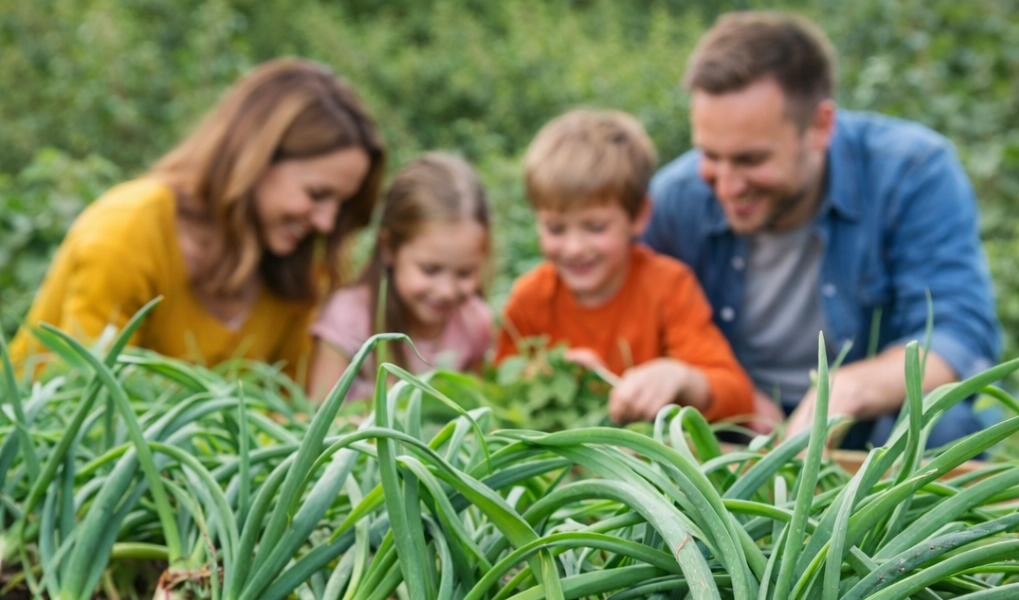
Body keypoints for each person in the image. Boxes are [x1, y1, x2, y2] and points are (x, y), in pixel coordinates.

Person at [643, 11, 1002, 447]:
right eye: (709, 155)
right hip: (735, 422)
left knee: (940, 422)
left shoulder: (911, 172)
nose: (726, 184)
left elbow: (957, 335)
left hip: (865, 427)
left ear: (819, 127)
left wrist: (846, 391)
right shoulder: (676, 198)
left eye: (750, 160)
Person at [10, 58, 385, 385]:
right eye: (318, 194)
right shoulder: (128, 230)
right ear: (254, 159)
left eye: (341, 205)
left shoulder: (296, 274)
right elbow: (88, 395)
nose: (326, 222)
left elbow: (286, 417)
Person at [495, 109, 754, 425]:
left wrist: (680, 378)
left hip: (648, 465)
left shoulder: (668, 287)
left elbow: (737, 397)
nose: (574, 248)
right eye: (556, 229)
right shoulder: (530, 299)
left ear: (639, 216)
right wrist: (542, 373)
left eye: (596, 227)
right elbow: (499, 388)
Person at [309, 152, 493, 402]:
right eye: (430, 269)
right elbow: (318, 415)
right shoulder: (348, 318)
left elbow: (475, 406)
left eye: (465, 272)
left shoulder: (475, 323)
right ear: (389, 249)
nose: (447, 290)